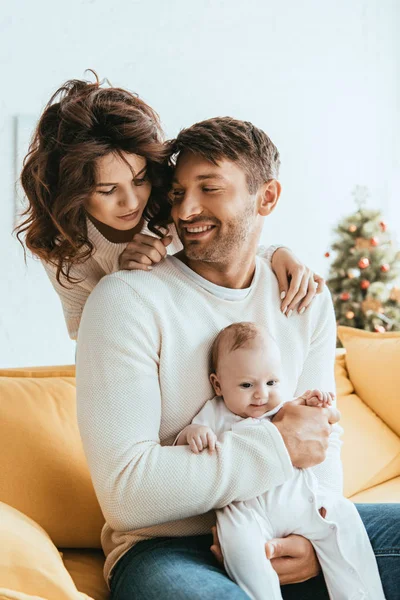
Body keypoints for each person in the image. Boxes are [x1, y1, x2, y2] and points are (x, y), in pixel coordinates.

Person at [75, 116, 399, 599]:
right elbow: (127, 494)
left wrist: (312, 541)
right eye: (179, 192)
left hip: (295, 519)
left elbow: (320, 440)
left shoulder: (301, 296)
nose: (187, 209)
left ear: (266, 197)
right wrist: (276, 447)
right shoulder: (127, 300)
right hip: (168, 546)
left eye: (209, 189)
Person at [16, 76, 321, 339]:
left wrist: (277, 254)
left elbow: (231, 245)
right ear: (73, 193)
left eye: (139, 180)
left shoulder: (172, 205)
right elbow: (93, 342)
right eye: (108, 190)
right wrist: (126, 281)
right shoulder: (64, 246)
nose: (132, 202)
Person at [176, 321, 385, 600]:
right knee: (239, 544)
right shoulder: (215, 413)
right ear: (218, 384)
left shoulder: (283, 407)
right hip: (247, 511)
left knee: (343, 518)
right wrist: (194, 433)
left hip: (301, 503)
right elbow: (183, 448)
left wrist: (314, 402)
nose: (261, 394)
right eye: (247, 385)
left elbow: (319, 430)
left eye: (272, 382)